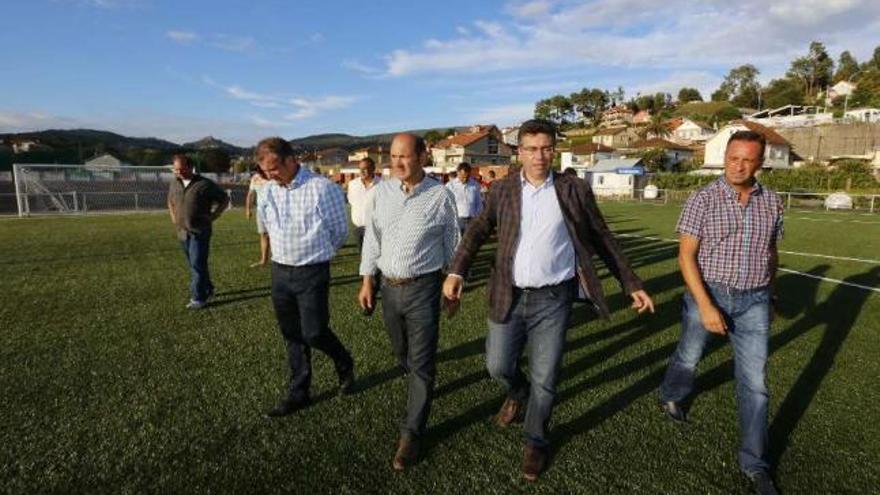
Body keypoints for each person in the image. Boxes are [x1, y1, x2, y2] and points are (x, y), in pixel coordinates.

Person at [442, 119, 655, 482]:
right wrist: (457, 270)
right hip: (508, 293)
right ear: (519, 152)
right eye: (531, 148)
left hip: (554, 299)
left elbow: (602, 238)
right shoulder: (503, 189)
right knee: (497, 366)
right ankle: (516, 391)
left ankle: (536, 440)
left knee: (547, 376)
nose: (539, 156)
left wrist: (629, 281)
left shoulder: (573, 189)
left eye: (546, 148)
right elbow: (478, 229)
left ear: (553, 150)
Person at [658, 130, 783, 495]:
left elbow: (771, 253)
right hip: (709, 292)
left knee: (755, 384)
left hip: (756, 300)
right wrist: (706, 305)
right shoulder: (703, 199)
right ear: (724, 157)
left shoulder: (772, 202)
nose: (738, 166)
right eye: (733, 158)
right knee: (690, 355)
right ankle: (672, 393)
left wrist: (771, 295)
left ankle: (755, 464)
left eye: (747, 159)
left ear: (760, 162)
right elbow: (685, 256)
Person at [358, 133, 460, 471]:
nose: (397, 163)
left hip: (424, 289)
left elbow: (453, 244)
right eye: (393, 156)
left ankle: (411, 434)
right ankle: (420, 384)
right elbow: (373, 236)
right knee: (401, 352)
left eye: (404, 156)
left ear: (421, 157)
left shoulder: (440, 196)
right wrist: (367, 278)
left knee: (420, 362)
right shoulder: (382, 192)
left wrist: (453, 282)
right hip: (388, 288)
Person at [255, 137, 355, 417]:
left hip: (312, 271)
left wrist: (315, 255)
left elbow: (339, 232)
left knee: (314, 332)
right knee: (291, 334)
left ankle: (344, 361)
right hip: (280, 272)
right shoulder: (267, 191)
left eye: (273, 168)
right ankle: (299, 392)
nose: (269, 175)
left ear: (291, 160)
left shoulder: (322, 188)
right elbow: (266, 226)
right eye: (264, 170)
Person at [166, 153, 229, 309]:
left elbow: (224, 199)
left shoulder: (205, 184)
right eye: (175, 170)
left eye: (181, 169)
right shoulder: (174, 183)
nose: (178, 172)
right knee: (195, 264)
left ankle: (198, 298)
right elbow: (170, 201)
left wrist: (215, 215)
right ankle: (208, 288)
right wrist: (173, 216)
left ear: (190, 166)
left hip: (199, 232)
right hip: (182, 232)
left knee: (196, 264)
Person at [347, 157, 380, 252]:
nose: (362, 171)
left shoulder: (382, 184)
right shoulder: (353, 184)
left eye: (365, 168)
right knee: (363, 258)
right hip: (358, 229)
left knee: (376, 257)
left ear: (373, 169)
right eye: (360, 169)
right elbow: (351, 200)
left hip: (375, 229)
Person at [445, 162, 482, 234]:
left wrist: (477, 218)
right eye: (463, 176)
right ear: (458, 173)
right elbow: (446, 204)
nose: (465, 179)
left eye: (467, 177)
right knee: (457, 244)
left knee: (470, 243)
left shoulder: (475, 185)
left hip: (472, 220)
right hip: (456, 220)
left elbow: (479, 203)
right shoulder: (450, 186)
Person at [245, 167, 271, 267]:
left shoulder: (273, 177)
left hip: (274, 211)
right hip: (261, 211)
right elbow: (250, 195)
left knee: (276, 234)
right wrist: (248, 209)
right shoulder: (255, 179)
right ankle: (264, 260)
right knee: (263, 234)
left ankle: (281, 258)